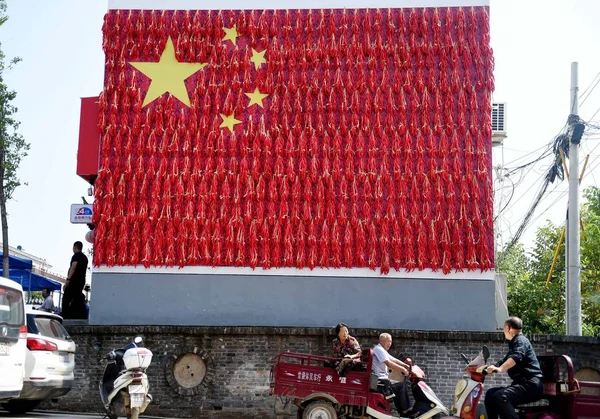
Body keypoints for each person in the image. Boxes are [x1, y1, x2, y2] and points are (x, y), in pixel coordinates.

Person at [485, 316, 543, 419]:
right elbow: (505, 360)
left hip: (530, 385)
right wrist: (488, 368)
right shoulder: (515, 343)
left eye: (503, 329)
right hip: (522, 385)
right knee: (490, 394)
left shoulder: (521, 341)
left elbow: (516, 356)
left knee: (501, 396)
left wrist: (501, 369)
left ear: (508, 327)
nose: (503, 332)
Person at [372, 333, 411, 415]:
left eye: (391, 341)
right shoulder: (379, 349)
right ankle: (405, 412)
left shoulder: (382, 350)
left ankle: (403, 412)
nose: (390, 343)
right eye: (388, 341)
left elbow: (394, 360)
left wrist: (406, 365)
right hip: (380, 381)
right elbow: (389, 363)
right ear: (382, 341)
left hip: (382, 380)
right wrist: (403, 369)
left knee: (398, 386)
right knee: (401, 386)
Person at [61, 241, 89, 319]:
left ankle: (65, 316)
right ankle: (78, 316)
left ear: (75, 247)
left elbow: (73, 267)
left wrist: (68, 279)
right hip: (81, 281)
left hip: (74, 281)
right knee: (77, 298)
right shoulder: (85, 258)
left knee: (66, 298)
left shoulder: (76, 256)